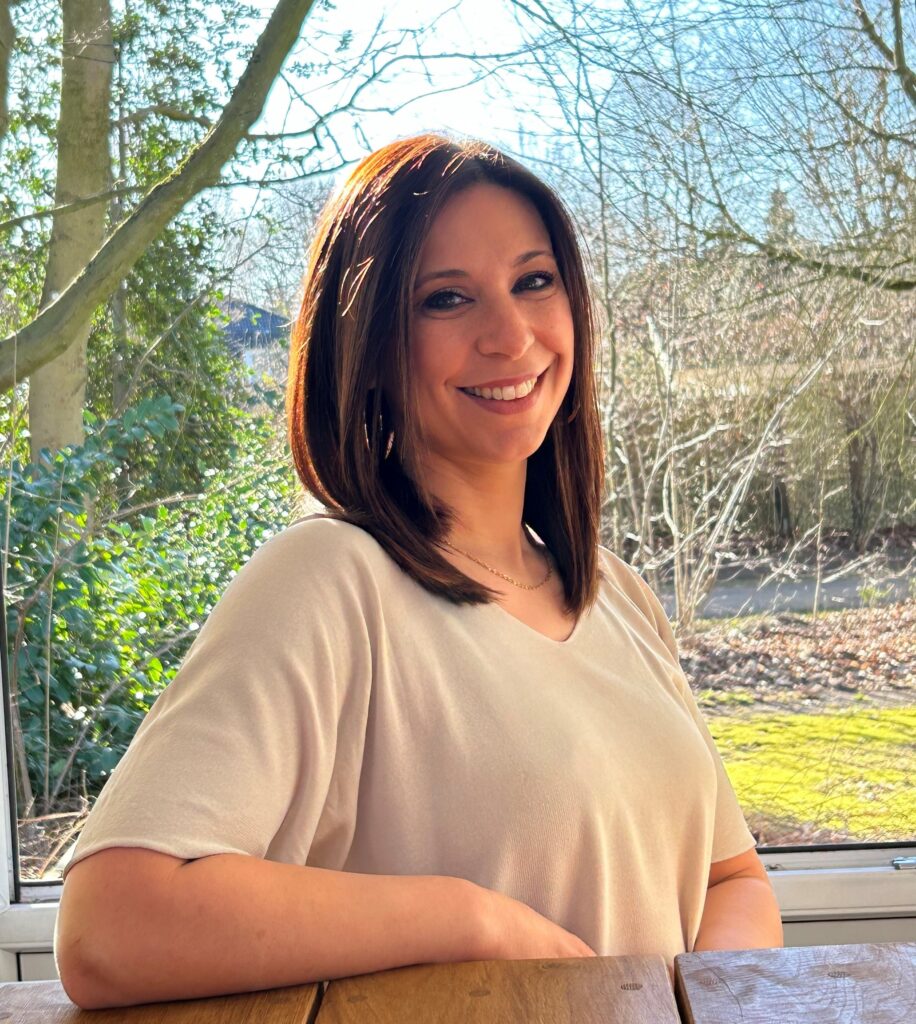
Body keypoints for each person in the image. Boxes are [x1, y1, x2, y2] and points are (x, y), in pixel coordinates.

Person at [54, 133, 783, 1009]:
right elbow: (111, 924)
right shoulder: (328, 578)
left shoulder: (615, 594)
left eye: (534, 281)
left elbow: (732, 878)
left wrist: (700, 1002)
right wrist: (476, 923)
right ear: (367, 348)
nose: (509, 334)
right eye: (446, 299)